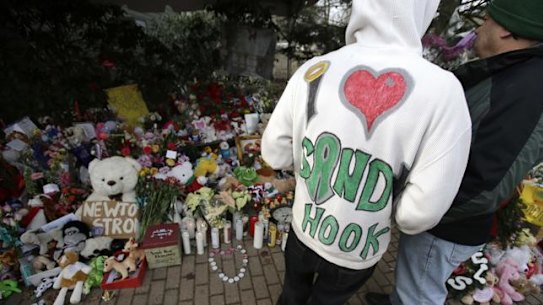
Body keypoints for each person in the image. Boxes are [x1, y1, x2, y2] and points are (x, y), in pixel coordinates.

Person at [261, 0, 472, 304]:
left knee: (292, 293)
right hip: (358, 247)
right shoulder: (444, 92)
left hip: (304, 228)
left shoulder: (314, 70)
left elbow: (275, 153)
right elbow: (418, 214)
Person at [365, 0, 543, 304]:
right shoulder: (514, 74)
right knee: (416, 276)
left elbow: (484, 184)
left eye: (486, 20)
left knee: (420, 292)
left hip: (447, 224)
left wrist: (417, 207)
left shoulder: (523, 89)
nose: (478, 27)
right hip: (443, 215)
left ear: (507, 31)